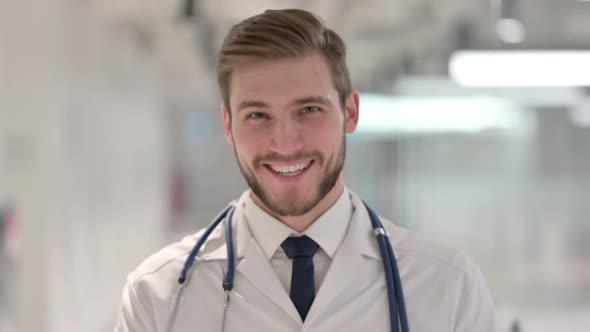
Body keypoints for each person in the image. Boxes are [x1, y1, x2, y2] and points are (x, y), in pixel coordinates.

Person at [114, 8, 496, 332]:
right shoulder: (159, 297)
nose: (284, 143)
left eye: (308, 110)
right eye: (258, 115)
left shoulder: (447, 287)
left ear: (350, 112)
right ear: (229, 125)